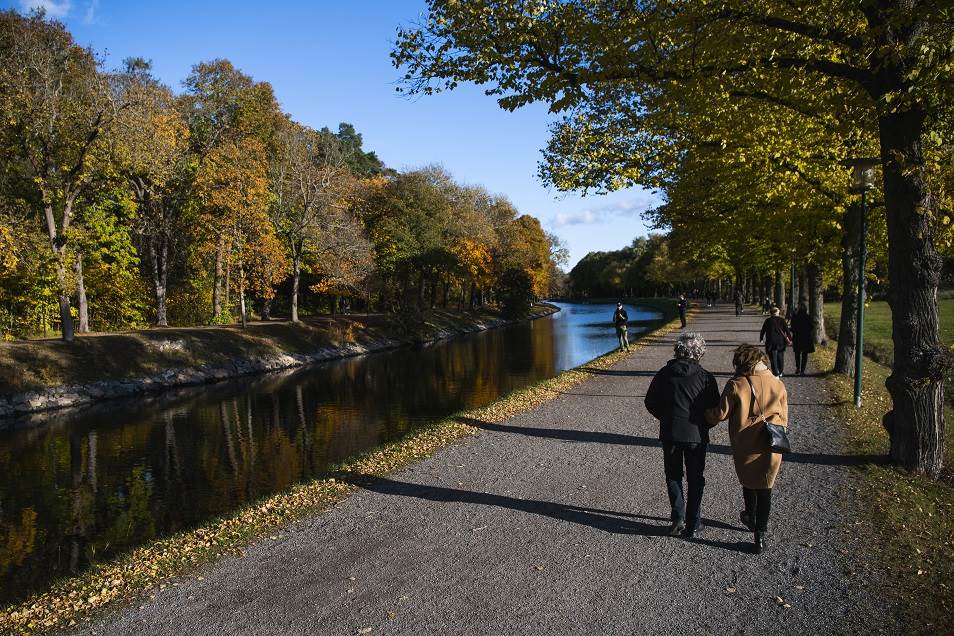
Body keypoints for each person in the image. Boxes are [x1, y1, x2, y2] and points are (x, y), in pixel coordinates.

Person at [706, 344, 789, 554]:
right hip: (772, 442)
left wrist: (702, 416)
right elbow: (784, 417)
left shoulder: (737, 384)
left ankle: (750, 517)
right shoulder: (777, 384)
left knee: (748, 479)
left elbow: (720, 414)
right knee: (765, 485)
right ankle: (759, 534)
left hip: (745, 442)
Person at [644, 332, 720, 538]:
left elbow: (650, 402)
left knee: (673, 476)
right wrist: (704, 425)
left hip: (670, 432)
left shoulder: (664, 374)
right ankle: (694, 522)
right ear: (699, 352)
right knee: (696, 478)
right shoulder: (705, 378)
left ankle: (678, 517)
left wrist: (665, 417)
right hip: (696, 434)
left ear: (678, 350)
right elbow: (715, 409)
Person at [759, 307, 791, 377]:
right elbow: (787, 330)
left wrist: (761, 338)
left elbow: (763, 330)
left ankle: (775, 372)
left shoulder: (768, 320)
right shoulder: (782, 320)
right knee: (780, 358)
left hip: (771, 342)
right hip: (780, 342)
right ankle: (780, 371)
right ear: (777, 312)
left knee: (773, 359)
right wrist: (790, 339)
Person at [790, 303, 814, 375]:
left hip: (797, 337)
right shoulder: (808, 317)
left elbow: (792, 327)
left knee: (797, 354)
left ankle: (798, 368)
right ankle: (802, 370)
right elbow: (811, 327)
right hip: (806, 337)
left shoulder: (795, 316)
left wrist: (795, 331)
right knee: (804, 354)